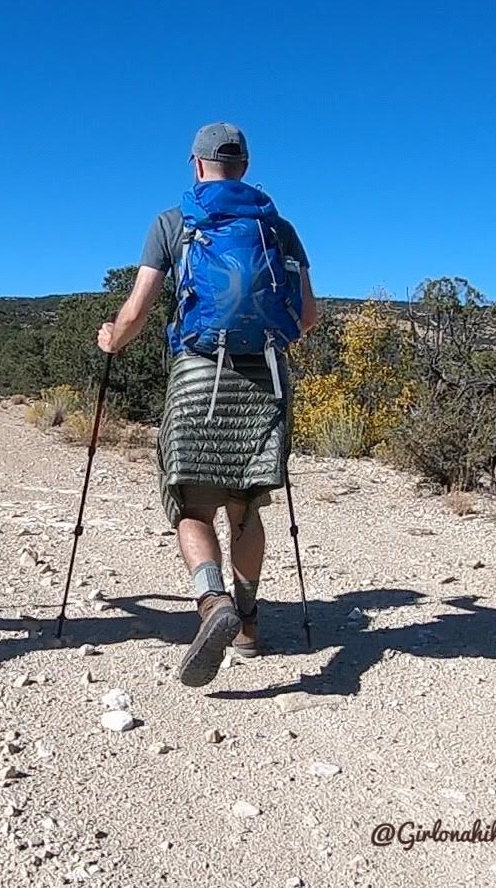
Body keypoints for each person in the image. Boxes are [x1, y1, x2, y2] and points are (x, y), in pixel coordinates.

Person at [97, 122, 318, 688]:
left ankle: (210, 598)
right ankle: (246, 623)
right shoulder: (279, 228)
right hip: (264, 378)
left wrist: (111, 340)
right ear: (243, 167)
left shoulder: (173, 223)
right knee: (247, 506)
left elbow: (138, 309)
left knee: (192, 505)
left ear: (197, 165)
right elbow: (308, 318)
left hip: (197, 374)